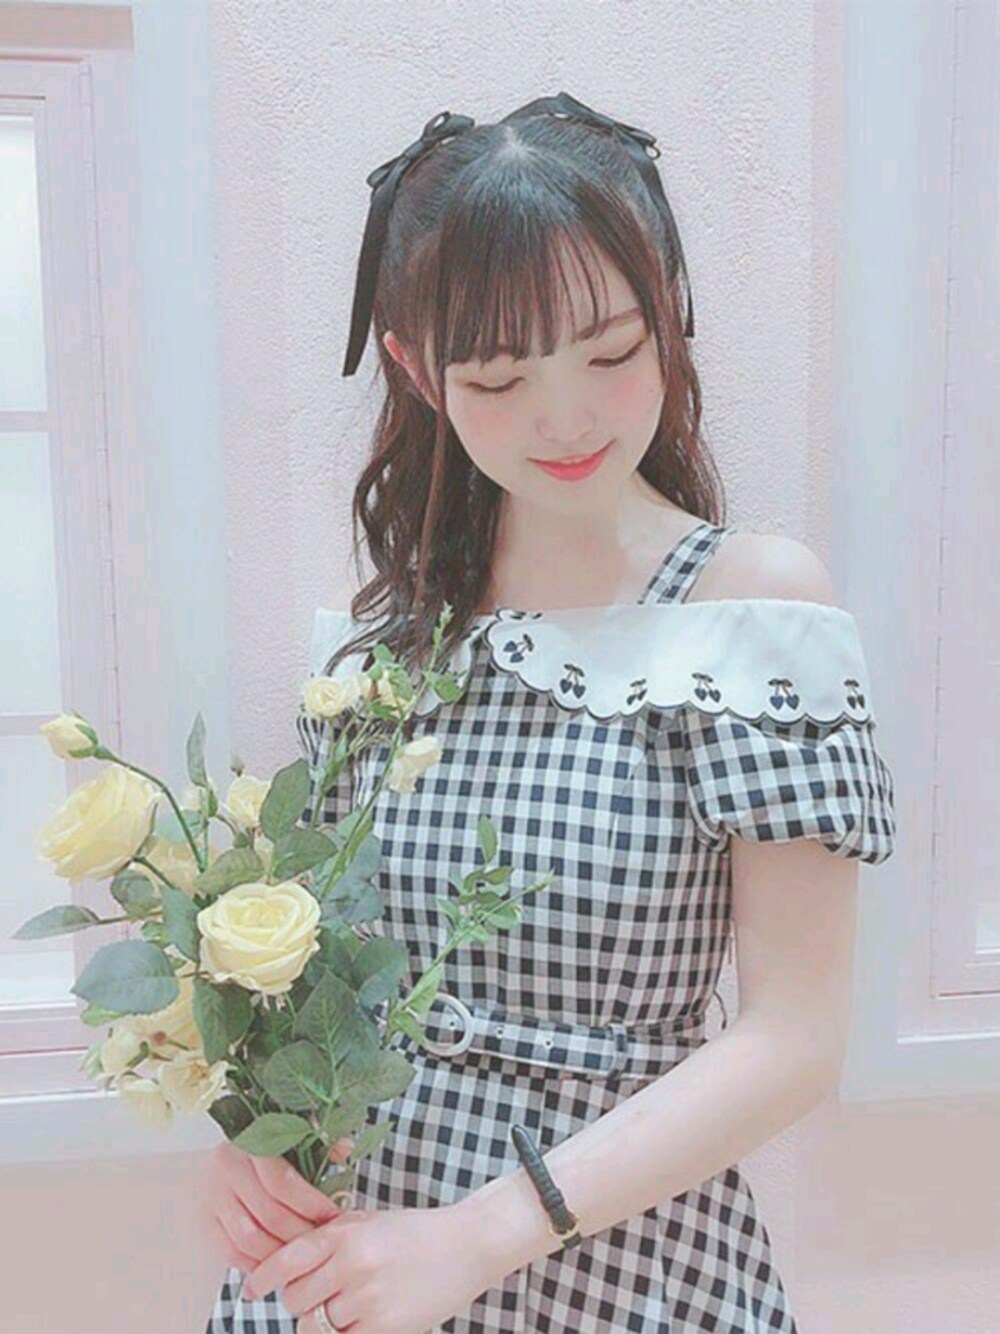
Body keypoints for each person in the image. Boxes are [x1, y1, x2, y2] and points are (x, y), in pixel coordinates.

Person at [201, 91, 897, 1333]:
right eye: (499, 375)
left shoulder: (747, 614)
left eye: (611, 353)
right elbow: (323, 982)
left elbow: (795, 1035)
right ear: (416, 369)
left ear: (668, 314)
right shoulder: (379, 641)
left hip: (618, 1259)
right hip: (354, 1261)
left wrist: (478, 1236)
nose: (565, 416)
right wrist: (253, 1139)